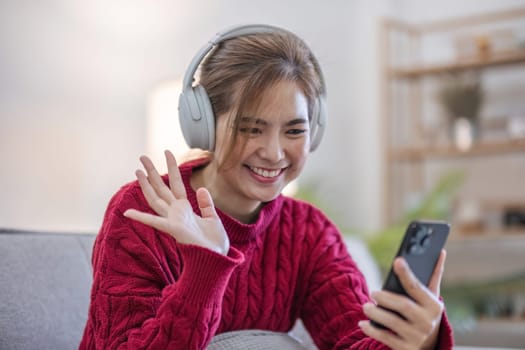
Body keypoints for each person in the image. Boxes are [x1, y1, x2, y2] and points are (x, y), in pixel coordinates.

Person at [80, 24, 453, 349]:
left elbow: (353, 342)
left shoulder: (307, 230)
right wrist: (203, 271)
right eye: (250, 128)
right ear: (203, 125)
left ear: (315, 131)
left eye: (294, 130)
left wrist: (417, 340)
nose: (274, 153)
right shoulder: (143, 212)